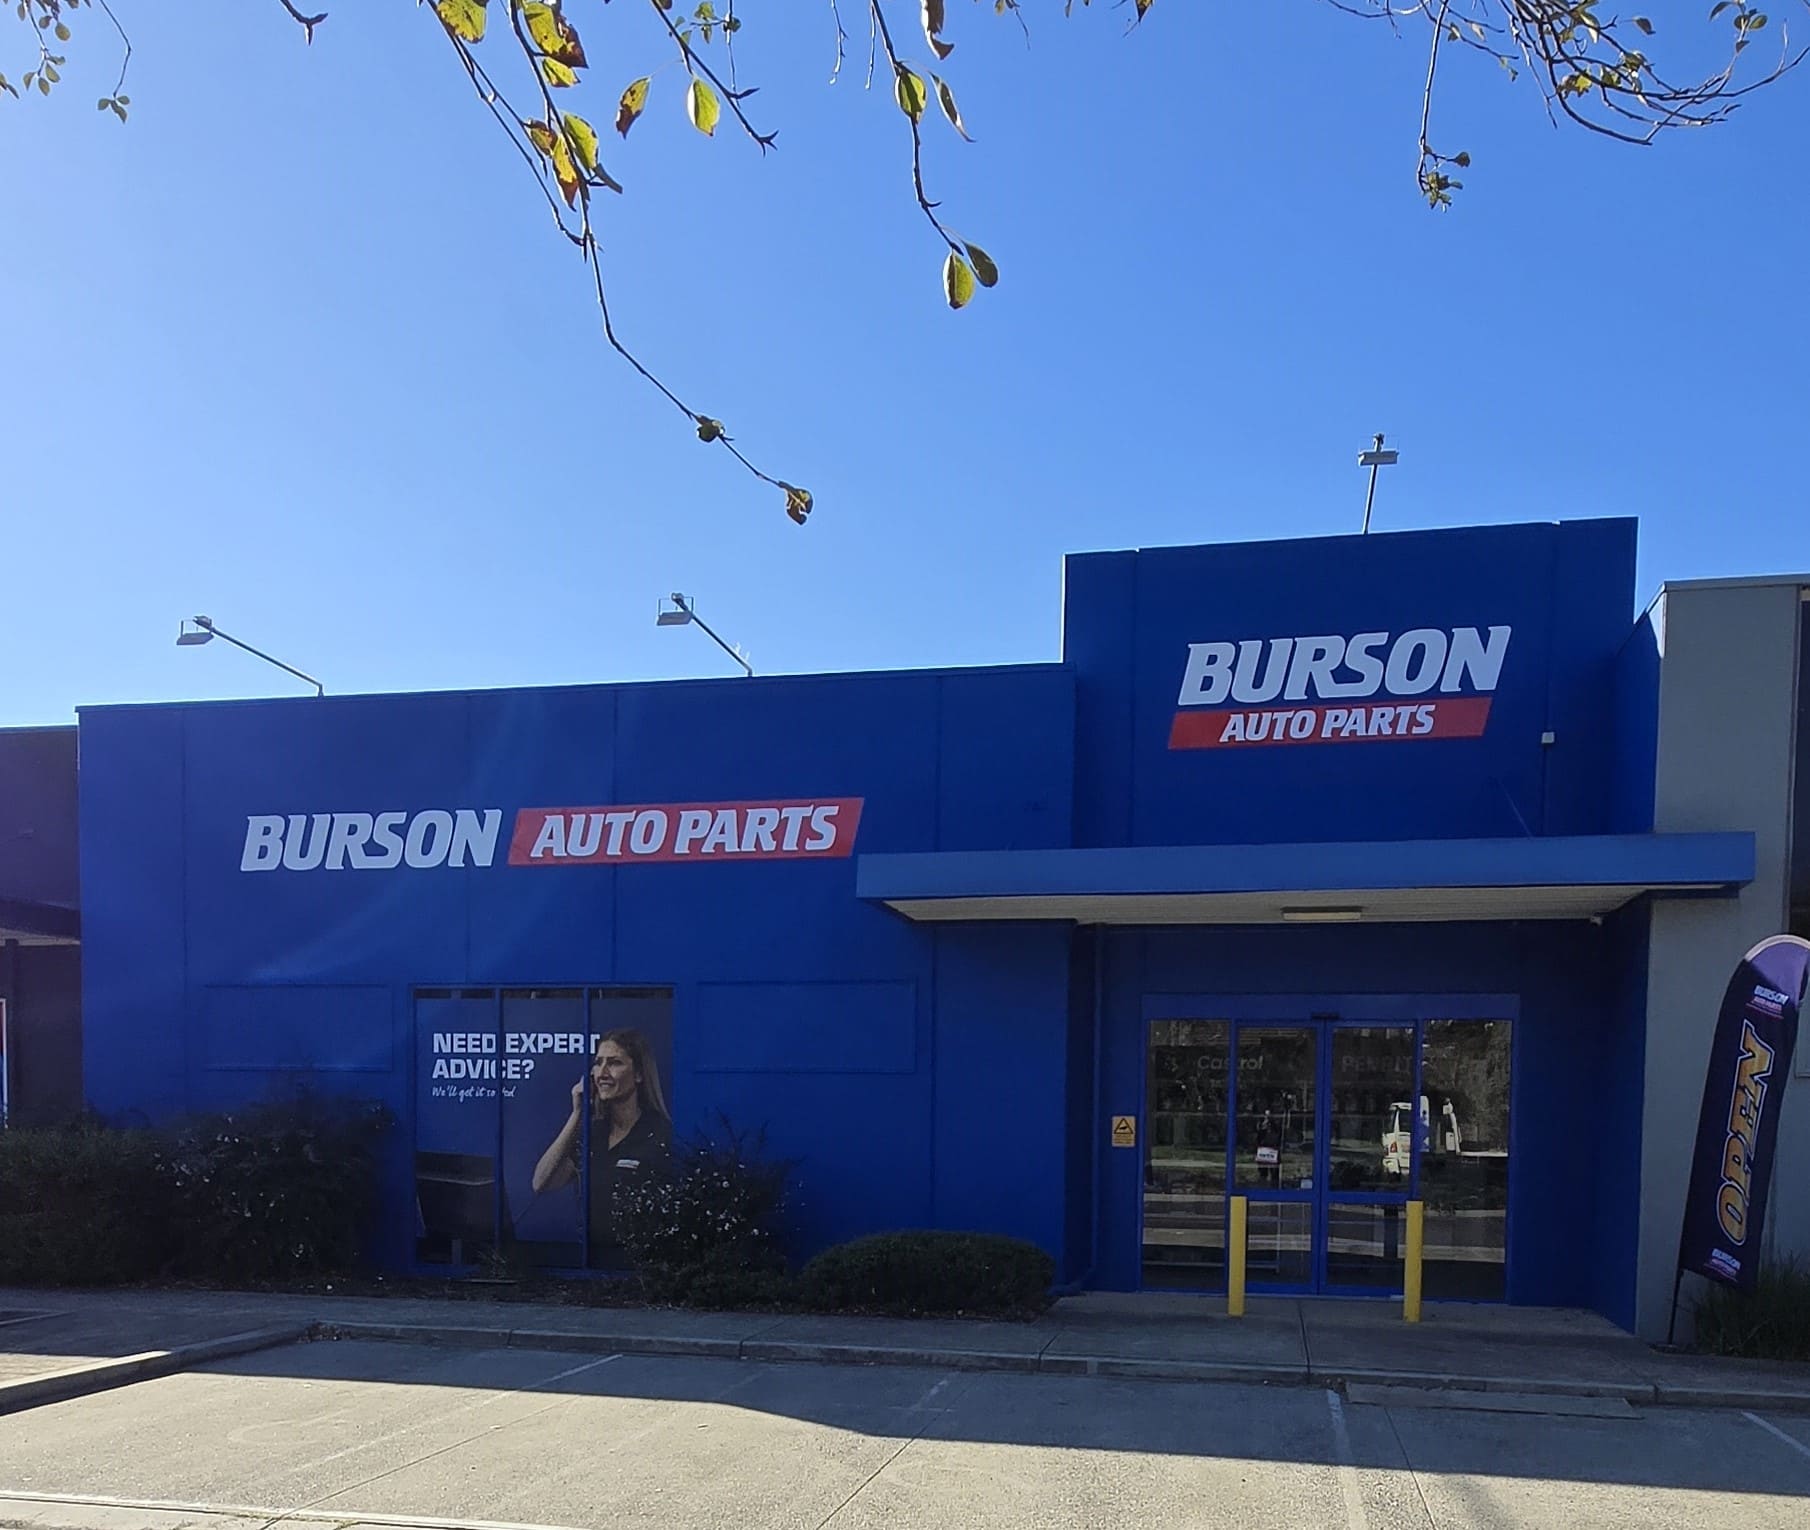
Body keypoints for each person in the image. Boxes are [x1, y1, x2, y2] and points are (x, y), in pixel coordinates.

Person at [531, 1028, 672, 1264]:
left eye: (614, 1063)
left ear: (639, 1074)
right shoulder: (593, 1134)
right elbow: (541, 1183)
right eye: (598, 1063)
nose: (602, 1073)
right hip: (591, 1262)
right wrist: (577, 1115)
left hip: (640, 1266)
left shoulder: (659, 1133)